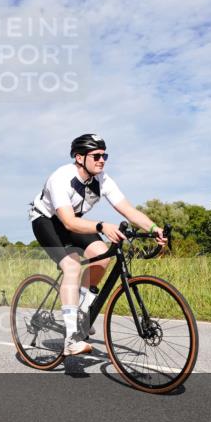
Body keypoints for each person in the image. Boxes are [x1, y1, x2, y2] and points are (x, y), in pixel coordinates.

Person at [29, 133, 166, 356]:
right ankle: (71, 339)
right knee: (72, 267)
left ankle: (81, 309)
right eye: (96, 156)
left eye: (105, 155)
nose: (102, 160)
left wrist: (154, 229)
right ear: (79, 158)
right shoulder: (61, 178)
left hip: (74, 221)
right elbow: (68, 222)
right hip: (48, 221)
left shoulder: (102, 180)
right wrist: (101, 226)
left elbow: (128, 210)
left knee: (104, 255)